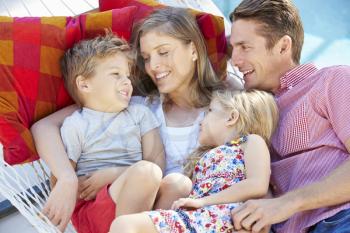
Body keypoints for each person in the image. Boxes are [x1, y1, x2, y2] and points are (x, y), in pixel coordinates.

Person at [30, 7, 224, 231]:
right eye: (146, 58)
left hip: (179, 209)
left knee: (178, 182)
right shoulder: (135, 104)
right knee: (149, 173)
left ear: (193, 49)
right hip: (110, 202)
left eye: (163, 51)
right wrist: (67, 178)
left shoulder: (225, 108)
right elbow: (45, 127)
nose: (153, 66)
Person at [228, 0, 350, 232]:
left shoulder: (333, 80)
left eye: (245, 47)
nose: (235, 59)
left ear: (283, 46)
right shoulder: (252, 112)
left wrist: (288, 203)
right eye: (232, 48)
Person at [108, 89, 279, 233]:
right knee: (125, 224)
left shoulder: (251, 141)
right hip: (198, 218)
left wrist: (203, 202)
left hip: (222, 218)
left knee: (125, 224)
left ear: (231, 117)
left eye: (209, 111)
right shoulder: (207, 155)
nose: (201, 120)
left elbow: (258, 185)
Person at [55, 33, 165, 233]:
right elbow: (62, 186)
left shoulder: (140, 114)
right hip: (95, 208)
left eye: (127, 76)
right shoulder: (76, 125)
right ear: (85, 84)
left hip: (141, 197)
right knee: (146, 172)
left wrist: (112, 175)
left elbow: (157, 166)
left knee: (178, 183)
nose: (127, 82)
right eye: (116, 74)